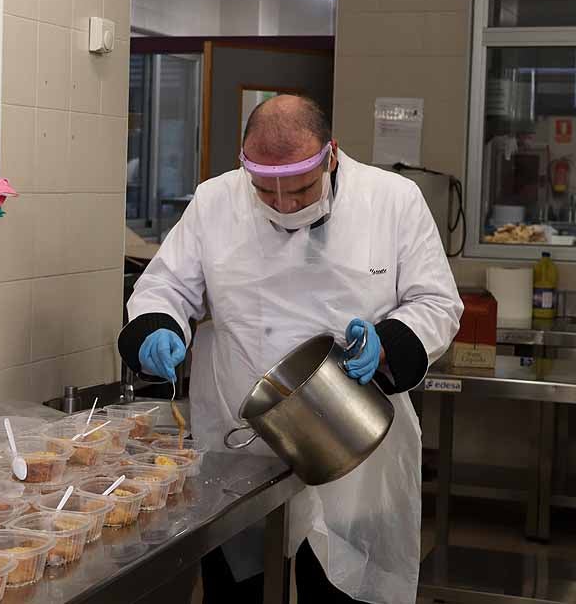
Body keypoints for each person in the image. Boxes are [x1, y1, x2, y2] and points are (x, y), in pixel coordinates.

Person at [118, 95, 462, 603]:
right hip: (243, 445)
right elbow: (165, 287)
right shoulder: (216, 201)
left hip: (354, 446)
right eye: (265, 190)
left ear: (332, 155)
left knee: (342, 589)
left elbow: (436, 302)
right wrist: (156, 327)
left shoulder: (393, 201)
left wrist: (389, 345)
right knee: (238, 588)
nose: (282, 204)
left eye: (300, 189)